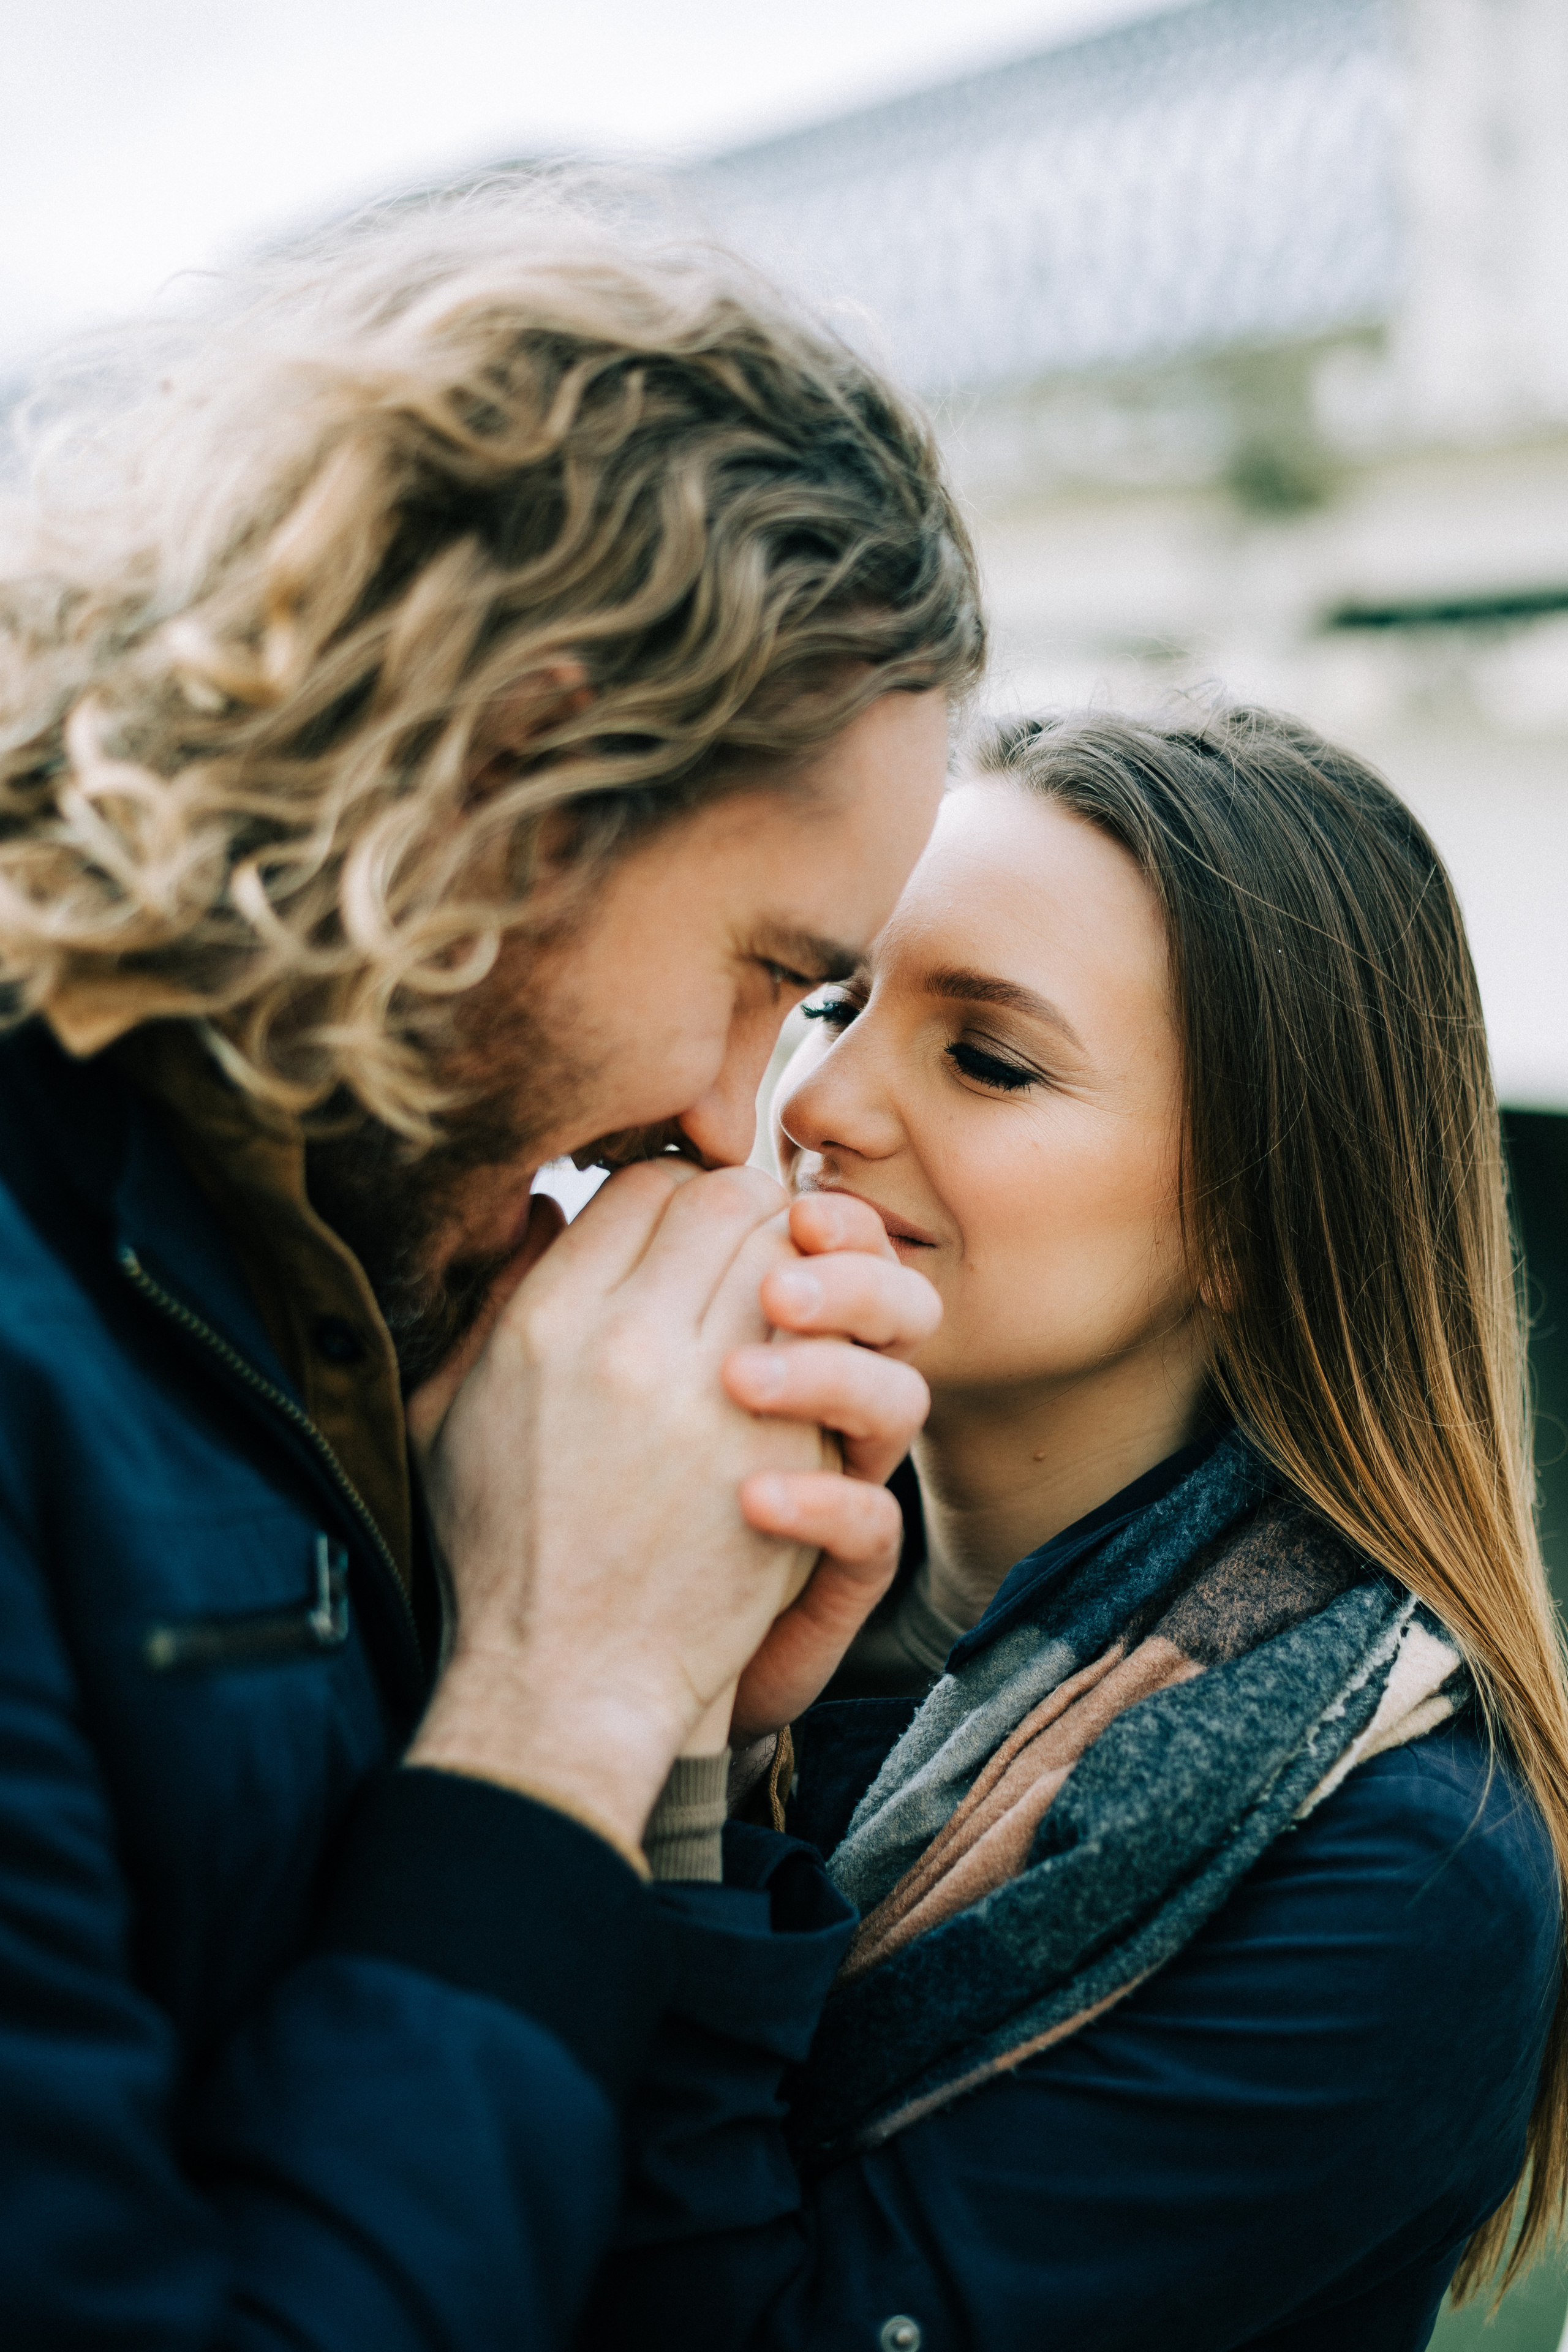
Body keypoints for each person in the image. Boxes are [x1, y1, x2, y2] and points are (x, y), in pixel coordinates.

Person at [0, 187, 986, 2348]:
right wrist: (558, 1696)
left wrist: (668, 1712)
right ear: (515, 776)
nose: (733, 1121)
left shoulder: (303, 1288)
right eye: (765, 974)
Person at [581, 707, 1568, 2352]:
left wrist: (662, 1738)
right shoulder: (671, 1540)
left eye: (987, 1058)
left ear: (1254, 1213)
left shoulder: (1403, 1867)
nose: (819, 1099)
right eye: (835, 1001)